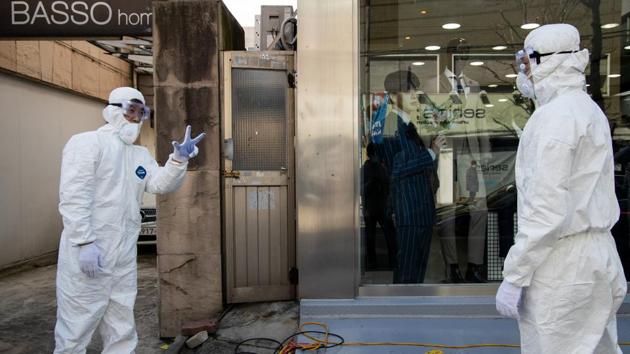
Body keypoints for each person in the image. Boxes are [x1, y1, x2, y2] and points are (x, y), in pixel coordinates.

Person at [496, 24, 627, 353]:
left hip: (563, 267)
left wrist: (515, 275)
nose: (523, 72)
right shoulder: (587, 109)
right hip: (599, 258)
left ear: (545, 61)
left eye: (526, 63)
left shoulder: (554, 119)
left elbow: (546, 210)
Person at [54, 87, 206, 354]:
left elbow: (159, 183)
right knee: (78, 320)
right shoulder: (86, 143)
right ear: (113, 109)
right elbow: (74, 197)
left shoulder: (139, 155)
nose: (136, 117)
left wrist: (178, 160)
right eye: (131, 109)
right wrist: (84, 241)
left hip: (123, 253)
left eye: (141, 112)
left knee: (121, 320)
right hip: (90, 251)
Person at [362, 142, 397, 269]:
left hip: (372, 208)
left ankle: (373, 263)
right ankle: (392, 262)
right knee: (389, 237)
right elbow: (389, 188)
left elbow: (362, 191)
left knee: (371, 238)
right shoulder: (381, 168)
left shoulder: (365, 169)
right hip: (380, 207)